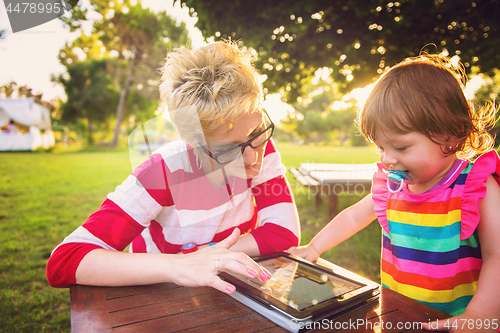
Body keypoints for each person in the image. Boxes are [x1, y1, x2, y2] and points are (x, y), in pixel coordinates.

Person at [47, 41, 300, 294]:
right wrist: (180, 264)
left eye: (257, 131)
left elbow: (283, 233)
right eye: (226, 150)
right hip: (162, 294)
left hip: (225, 288)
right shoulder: (161, 173)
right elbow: (65, 261)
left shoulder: (260, 146)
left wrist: (211, 255)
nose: (252, 158)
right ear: (193, 144)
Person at [288, 55, 500, 331]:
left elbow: (497, 253)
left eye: (400, 148)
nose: (387, 159)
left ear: (450, 135)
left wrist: (479, 314)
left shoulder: (475, 185)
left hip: (459, 322)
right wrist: (314, 247)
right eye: (380, 147)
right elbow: (353, 218)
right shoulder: (392, 185)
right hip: (398, 314)